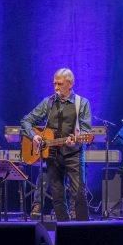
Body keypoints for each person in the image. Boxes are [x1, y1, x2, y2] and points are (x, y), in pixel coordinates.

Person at [21, 68, 92, 221]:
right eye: (54, 84)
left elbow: (86, 131)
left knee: (79, 194)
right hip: (52, 156)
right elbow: (26, 121)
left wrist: (76, 140)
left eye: (59, 84)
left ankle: (85, 232)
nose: (56, 87)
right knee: (57, 196)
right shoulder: (49, 102)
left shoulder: (82, 103)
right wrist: (34, 136)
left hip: (74, 153)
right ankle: (64, 230)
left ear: (70, 84)